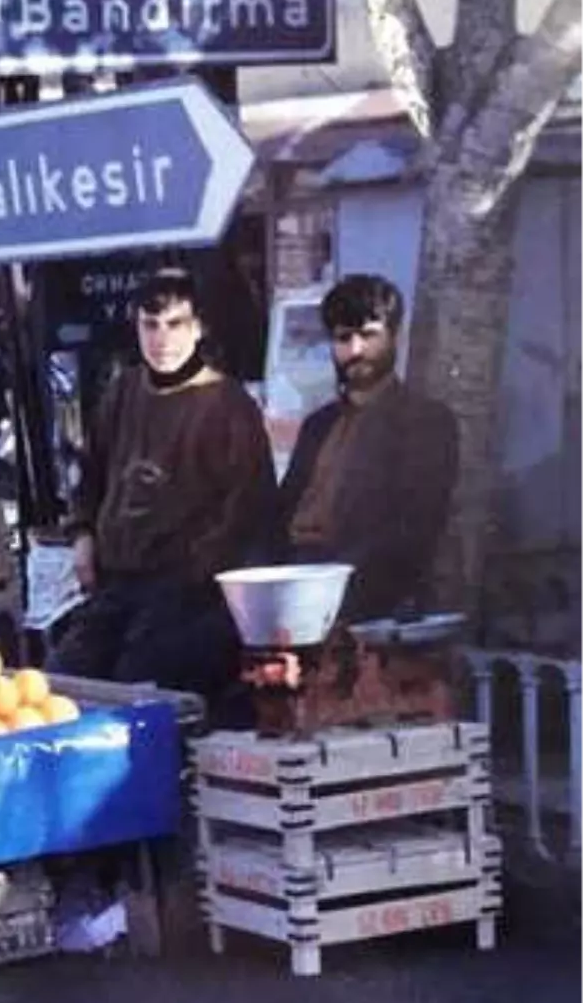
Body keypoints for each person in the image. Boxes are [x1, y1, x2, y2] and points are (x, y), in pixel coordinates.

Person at [48, 266, 281, 696]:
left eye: (175, 325)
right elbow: (91, 473)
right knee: (64, 677)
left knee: (138, 684)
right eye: (149, 325)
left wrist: (189, 574)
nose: (161, 338)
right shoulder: (123, 391)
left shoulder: (227, 405)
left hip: (188, 594)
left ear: (198, 328)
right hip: (116, 584)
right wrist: (83, 534)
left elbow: (247, 510)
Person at [279, 274, 459, 622]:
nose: (356, 350)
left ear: (395, 336)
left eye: (369, 335)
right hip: (293, 581)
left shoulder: (424, 421)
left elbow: (414, 532)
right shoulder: (319, 425)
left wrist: (328, 586)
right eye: (344, 338)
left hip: (366, 592)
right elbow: (281, 513)